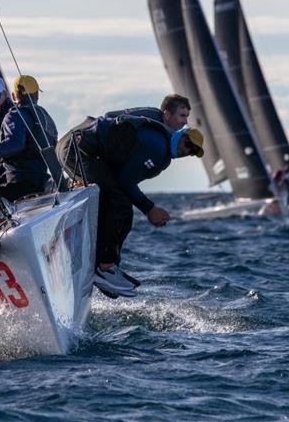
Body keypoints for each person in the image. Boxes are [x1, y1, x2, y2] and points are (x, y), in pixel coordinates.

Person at [56, 114, 204, 298]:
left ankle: (106, 267)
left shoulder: (161, 146)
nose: (186, 151)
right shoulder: (158, 146)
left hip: (78, 148)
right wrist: (150, 209)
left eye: (192, 152)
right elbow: (125, 181)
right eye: (188, 145)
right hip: (76, 150)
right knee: (119, 205)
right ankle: (104, 267)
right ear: (181, 135)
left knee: (122, 207)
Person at [0, 76, 49, 202]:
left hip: (20, 181)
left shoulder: (13, 115)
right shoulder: (43, 115)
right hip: (40, 180)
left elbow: (15, 144)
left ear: (11, 95)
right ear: (37, 95)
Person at [104, 93, 192, 132]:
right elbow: (110, 116)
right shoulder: (151, 115)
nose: (185, 122)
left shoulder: (166, 133)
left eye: (186, 116)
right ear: (168, 114)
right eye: (182, 116)